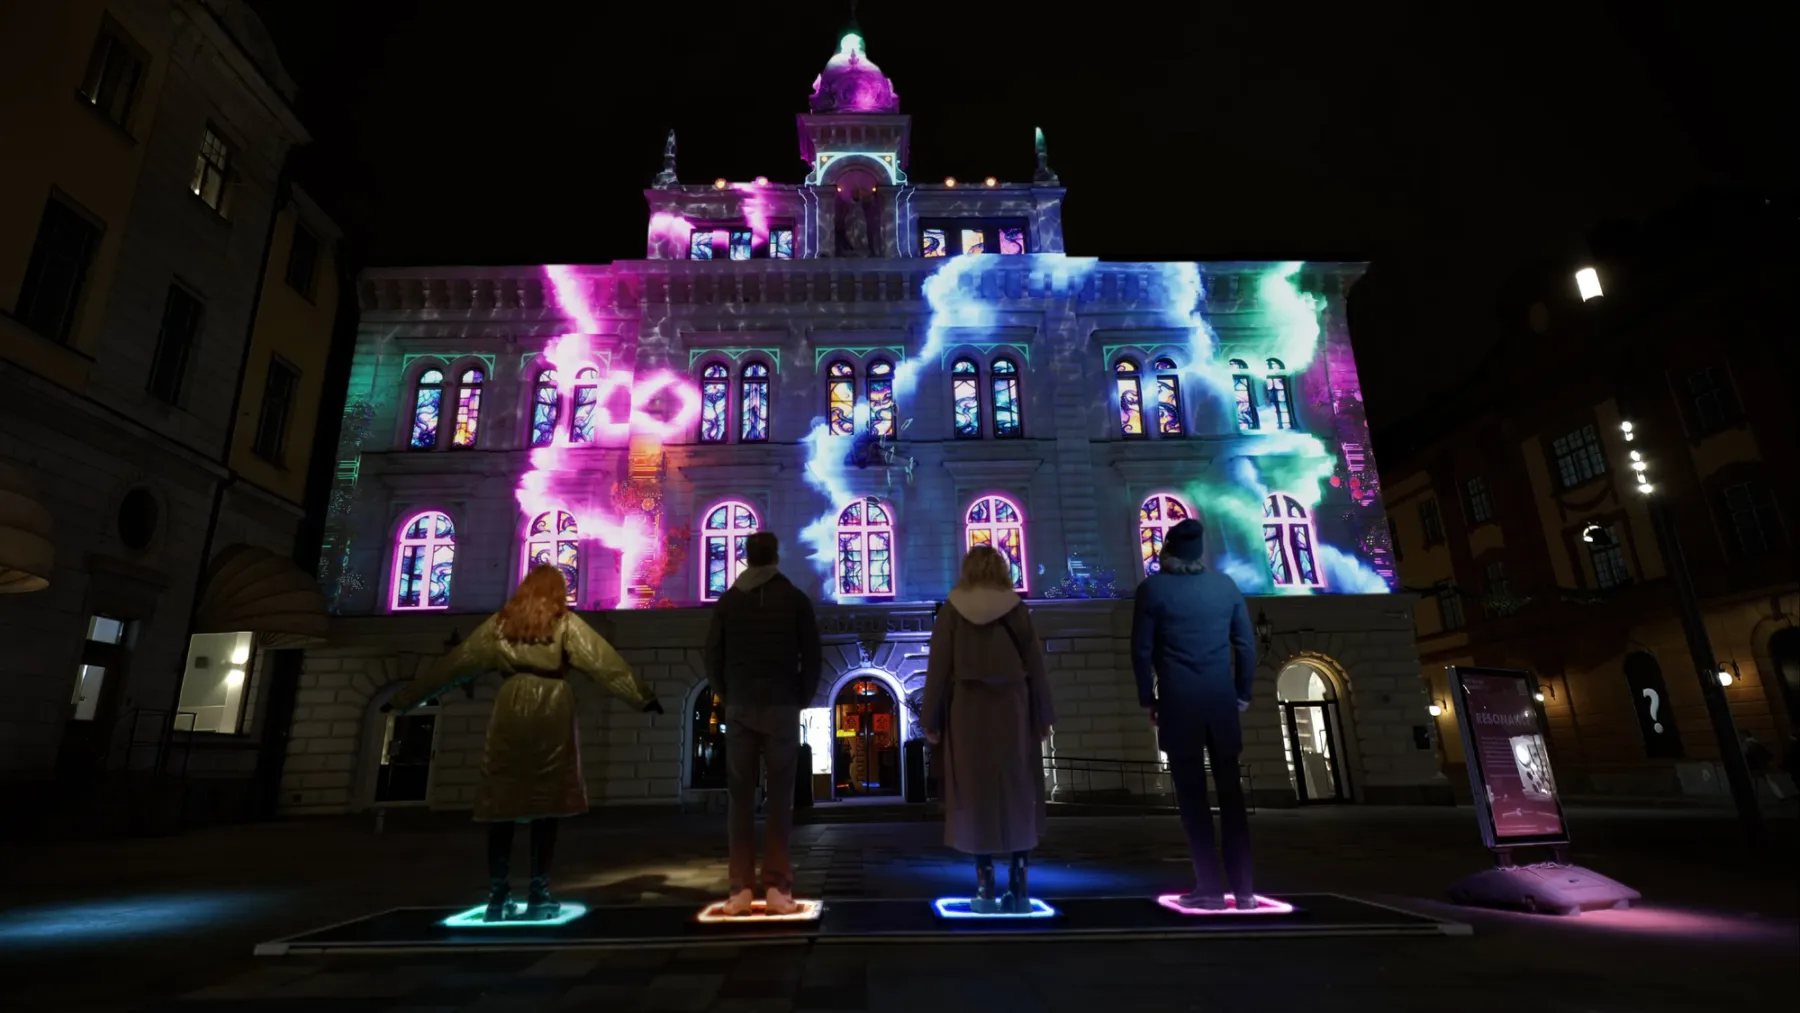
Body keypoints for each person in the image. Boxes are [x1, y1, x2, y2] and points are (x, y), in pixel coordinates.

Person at [386, 564, 662, 921]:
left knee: (502, 806)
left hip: (510, 708)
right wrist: (641, 696)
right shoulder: (564, 622)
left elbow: (455, 664)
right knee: (546, 806)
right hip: (552, 708)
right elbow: (603, 662)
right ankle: (538, 893)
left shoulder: (500, 624)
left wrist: (405, 699)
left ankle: (497, 897)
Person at [1131, 517, 1258, 911]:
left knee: (1192, 802)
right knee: (1232, 798)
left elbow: (1141, 651)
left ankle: (1210, 889)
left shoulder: (1153, 590)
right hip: (1221, 704)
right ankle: (1245, 891)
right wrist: (1241, 693)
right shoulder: (1225, 587)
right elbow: (1247, 646)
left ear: (1168, 551)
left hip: (1178, 703)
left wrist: (1147, 699)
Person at [920, 545, 1056, 913]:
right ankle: (1020, 884)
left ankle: (984, 888)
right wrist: (1043, 715)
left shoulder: (952, 610)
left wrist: (930, 719)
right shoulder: (1016, 610)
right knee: (1017, 790)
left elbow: (938, 669)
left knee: (974, 795)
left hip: (967, 711)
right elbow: (1035, 666)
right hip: (1013, 709)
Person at [703, 531, 823, 916]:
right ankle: (777, 887)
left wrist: (728, 692)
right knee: (780, 800)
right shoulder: (793, 599)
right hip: (781, 706)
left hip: (741, 705)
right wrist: (799, 696)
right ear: (775, 558)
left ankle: (739, 890)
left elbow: (712, 656)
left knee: (739, 799)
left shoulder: (728, 601)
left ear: (746, 558)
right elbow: (813, 653)